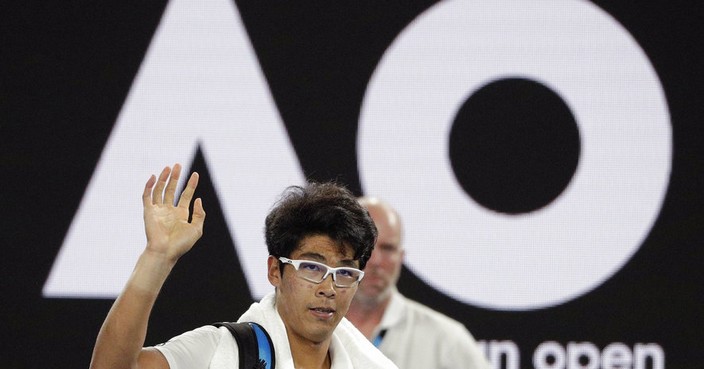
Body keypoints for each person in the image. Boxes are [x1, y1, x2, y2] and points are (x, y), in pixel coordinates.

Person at [89, 164, 398, 369]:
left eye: (344, 272)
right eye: (312, 268)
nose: (328, 289)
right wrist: (156, 257)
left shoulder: (370, 364)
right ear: (275, 271)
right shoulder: (223, 353)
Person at [346, 196, 491, 369]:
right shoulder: (311, 329)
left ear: (401, 257)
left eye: (388, 248)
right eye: (366, 247)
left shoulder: (445, 341)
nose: (376, 260)